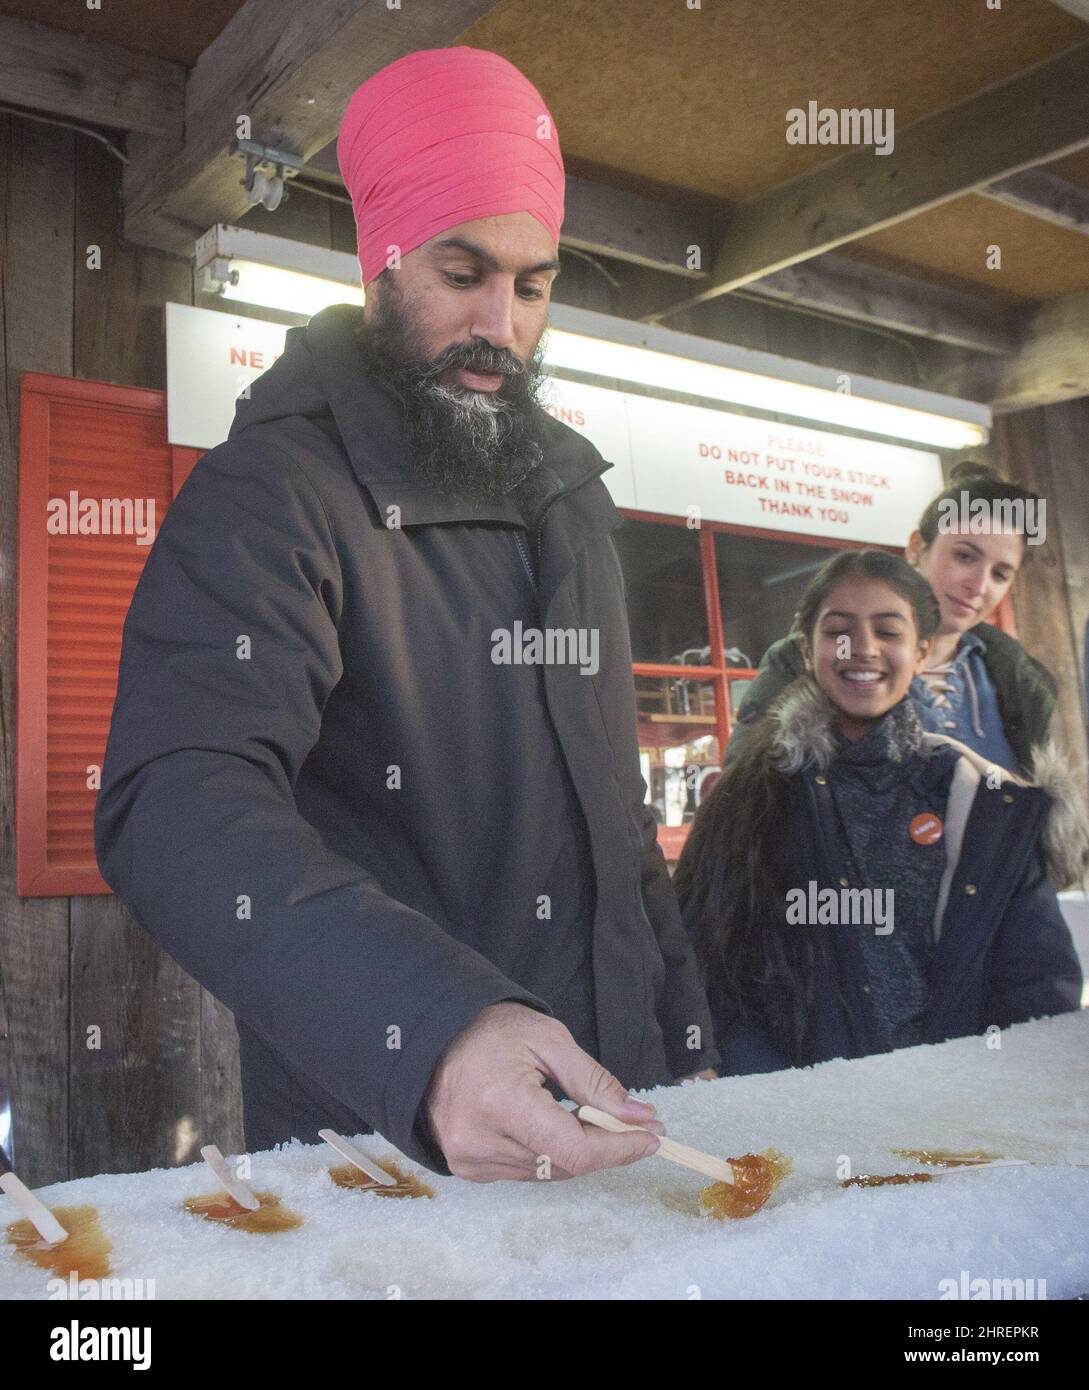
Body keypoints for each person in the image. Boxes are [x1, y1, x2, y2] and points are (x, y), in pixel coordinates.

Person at [94, 46, 720, 1184]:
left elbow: (619, 833)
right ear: (381, 264)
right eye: (463, 270)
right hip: (402, 1137)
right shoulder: (272, 493)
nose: (501, 323)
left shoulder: (572, 504)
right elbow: (175, 793)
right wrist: (431, 1027)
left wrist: (687, 1048)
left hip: (618, 1122)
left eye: (533, 285)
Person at [674, 549, 1084, 1076]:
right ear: (806, 649)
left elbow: (1039, 987)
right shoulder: (749, 797)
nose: (862, 649)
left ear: (921, 651)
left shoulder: (988, 807)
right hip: (796, 1115)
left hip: (959, 1124)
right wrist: (766, 1084)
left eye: (888, 631)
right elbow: (702, 964)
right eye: (838, 631)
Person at [726, 462, 1056, 782]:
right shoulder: (800, 661)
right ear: (916, 548)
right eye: (965, 556)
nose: (979, 585)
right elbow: (742, 802)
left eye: (1000, 574)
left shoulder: (1019, 679)